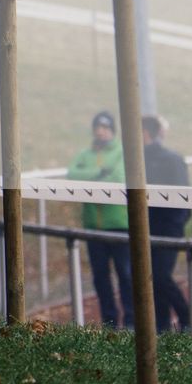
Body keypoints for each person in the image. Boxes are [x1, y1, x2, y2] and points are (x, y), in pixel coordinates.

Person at [66, 110, 133, 329]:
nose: (101, 132)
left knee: (126, 275)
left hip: (119, 225)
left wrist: (92, 176)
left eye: (105, 128)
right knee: (100, 277)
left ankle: (132, 320)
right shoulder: (85, 153)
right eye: (98, 128)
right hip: (93, 226)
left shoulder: (122, 152)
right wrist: (99, 172)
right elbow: (72, 175)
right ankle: (110, 321)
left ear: (112, 131)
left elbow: (119, 178)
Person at [142, 115, 192, 332]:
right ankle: (161, 326)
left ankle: (187, 318)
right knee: (152, 277)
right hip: (146, 225)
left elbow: (184, 196)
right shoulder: (136, 159)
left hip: (169, 227)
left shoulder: (172, 159)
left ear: (146, 133)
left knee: (161, 275)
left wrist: (178, 222)